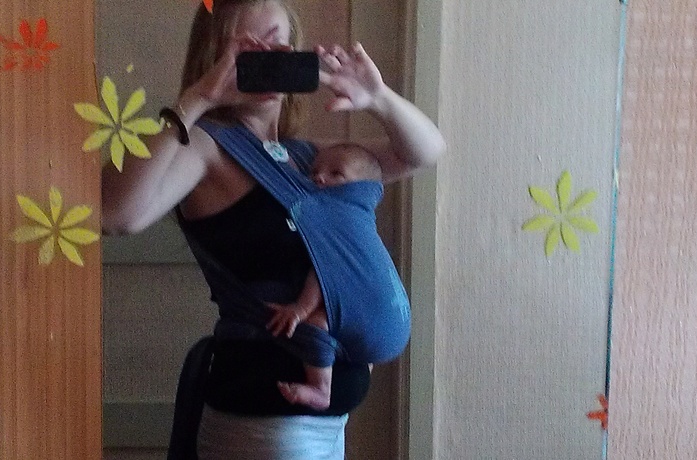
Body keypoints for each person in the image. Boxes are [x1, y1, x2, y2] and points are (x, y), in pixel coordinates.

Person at [101, 0, 445, 458]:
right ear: (214, 56)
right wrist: (198, 99)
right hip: (264, 424)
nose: (269, 58)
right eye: (250, 49)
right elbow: (117, 214)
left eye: (280, 46)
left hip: (326, 425)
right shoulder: (203, 148)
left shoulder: (308, 158)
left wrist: (378, 98)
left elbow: (424, 151)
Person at [265, 144, 383, 411]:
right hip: (380, 319)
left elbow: (324, 272)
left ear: (361, 187)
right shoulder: (361, 218)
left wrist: (300, 309)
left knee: (316, 324)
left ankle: (320, 389)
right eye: (314, 171)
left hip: (367, 313)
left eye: (336, 174)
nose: (319, 177)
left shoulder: (337, 220)